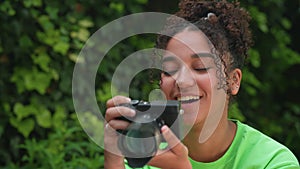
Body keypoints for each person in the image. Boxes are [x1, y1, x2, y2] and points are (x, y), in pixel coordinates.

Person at [104, 0, 299, 168]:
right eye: (170, 69)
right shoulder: (143, 154)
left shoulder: (272, 162)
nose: (182, 80)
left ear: (233, 81)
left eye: (200, 67)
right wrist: (113, 161)